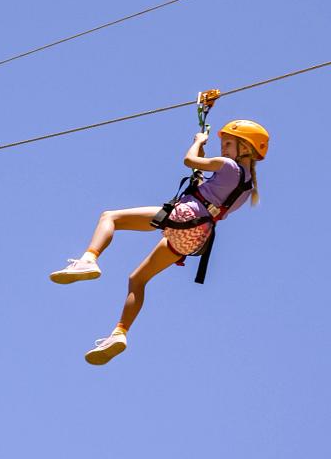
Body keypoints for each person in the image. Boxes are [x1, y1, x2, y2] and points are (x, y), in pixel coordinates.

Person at [49, 105, 269, 366]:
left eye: (229, 143)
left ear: (245, 148)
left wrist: (198, 142)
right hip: (197, 237)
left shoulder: (228, 165)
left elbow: (189, 161)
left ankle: (89, 258)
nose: (223, 149)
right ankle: (120, 333)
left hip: (185, 216)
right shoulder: (247, 188)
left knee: (110, 217)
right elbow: (214, 197)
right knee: (137, 278)